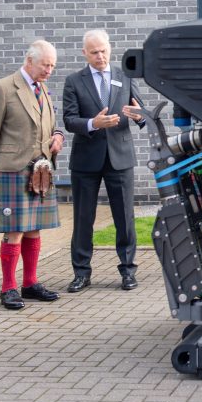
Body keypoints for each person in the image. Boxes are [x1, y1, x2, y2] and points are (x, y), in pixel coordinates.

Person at [0, 39, 65, 310]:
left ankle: (30, 283)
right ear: (29, 61)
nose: (49, 70)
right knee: (14, 231)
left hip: (39, 171)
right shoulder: (3, 88)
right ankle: (8, 288)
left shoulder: (43, 90)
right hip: (12, 169)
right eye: (45, 65)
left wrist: (58, 135)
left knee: (34, 230)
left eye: (52, 65)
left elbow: (51, 125)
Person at [62, 29, 145, 292]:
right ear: (85, 53)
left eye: (104, 50)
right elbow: (69, 120)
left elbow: (142, 113)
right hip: (86, 160)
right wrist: (93, 123)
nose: (100, 56)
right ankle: (81, 273)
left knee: (125, 218)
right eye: (94, 52)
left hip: (120, 157)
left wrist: (138, 116)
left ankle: (128, 271)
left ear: (110, 49)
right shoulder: (74, 81)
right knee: (83, 218)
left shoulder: (124, 77)